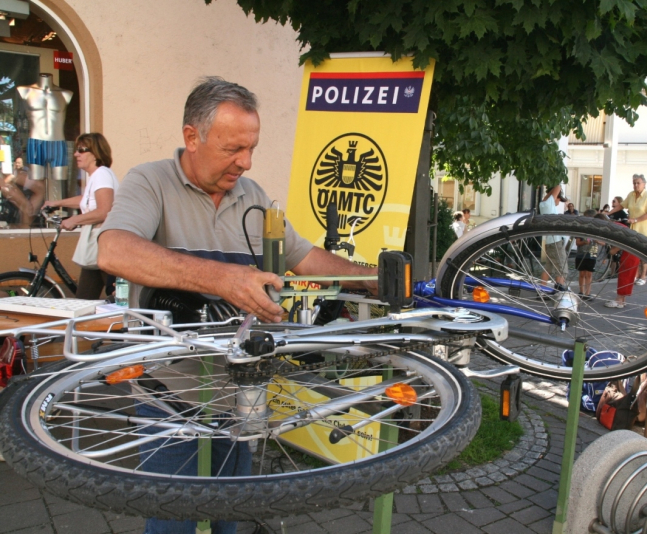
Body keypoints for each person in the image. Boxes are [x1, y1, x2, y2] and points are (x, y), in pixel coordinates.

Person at [98, 78, 377, 534]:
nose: (245, 162)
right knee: (172, 519)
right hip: (171, 392)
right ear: (192, 137)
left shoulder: (252, 195)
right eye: (233, 149)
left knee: (237, 515)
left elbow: (305, 258)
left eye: (251, 148)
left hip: (239, 388)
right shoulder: (149, 181)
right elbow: (114, 251)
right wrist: (223, 278)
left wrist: (374, 279)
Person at [43, 133, 118, 299]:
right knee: (85, 299)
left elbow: (104, 211)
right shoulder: (97, 176)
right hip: (96, 247)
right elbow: (86, 201)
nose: (76, 154)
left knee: (117, 297)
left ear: (96, 153)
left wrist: (74, 220)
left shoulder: (101, 175)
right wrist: (56, 203)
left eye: (81, 150)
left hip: (102, 244)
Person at [609, 174, 647, 290]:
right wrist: (607, 214)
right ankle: (634, 275)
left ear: (644, 184)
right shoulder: (631, 195)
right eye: (634, 183)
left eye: (638, 183)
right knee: (633, 252)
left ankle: (643, 276)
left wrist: (635, 219)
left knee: (643, 254)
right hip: (634, 228)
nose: (635, 185)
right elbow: (621, 206)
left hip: (645, 228)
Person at [537, 184, 567, 290]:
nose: (559, 202)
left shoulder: (543, 204)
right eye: (559, 199)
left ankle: (542, 290)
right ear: (556, 196)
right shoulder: (549, 204)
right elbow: (558, 186)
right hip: (556, 241)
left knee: (549, 267)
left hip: (550, 241)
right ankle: (560, 291)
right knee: (562, 268)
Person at [1, 157, 45, 228]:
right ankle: (23, 228)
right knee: (26, 206)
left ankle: (23, 226)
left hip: (7, 168)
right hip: (4, 173)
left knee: (41, 188)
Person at [575, 209, 599, 299]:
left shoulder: (596, 229)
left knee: (589, 274)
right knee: (582, 273)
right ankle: (581, 291)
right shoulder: (581, 229)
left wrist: (597, 240)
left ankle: (587, 293)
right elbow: (577, 242)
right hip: (581, 253)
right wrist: (584, 242)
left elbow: (603, 242)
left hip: (592, 253)